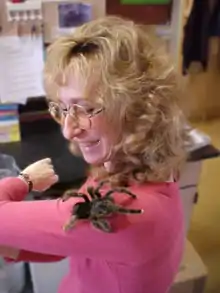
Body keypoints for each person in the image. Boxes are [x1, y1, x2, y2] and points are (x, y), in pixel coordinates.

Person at [0, 16, 187, 293]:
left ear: (135, 110)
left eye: (85, 108)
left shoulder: (128, 212)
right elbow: (74, 245)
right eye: (62, 108)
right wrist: (12, 248)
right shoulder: (123, 170)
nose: (67, 131)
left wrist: (22, 182)